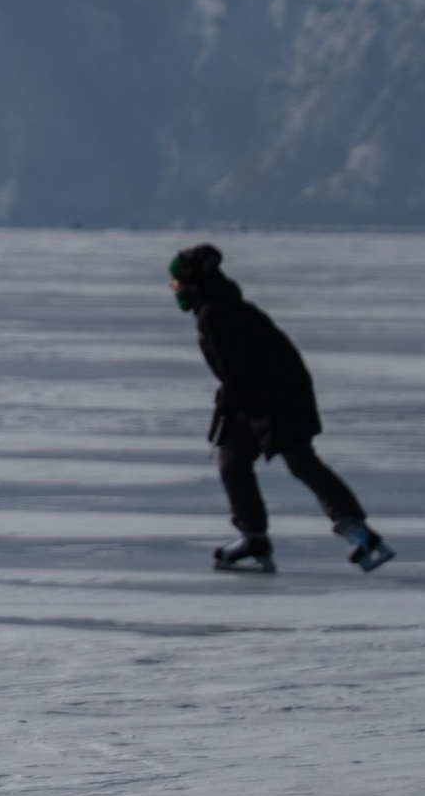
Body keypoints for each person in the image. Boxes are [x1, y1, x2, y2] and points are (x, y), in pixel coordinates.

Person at [168, 243, 394, 575]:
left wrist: (227, 402)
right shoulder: (218, 306)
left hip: (278, 399)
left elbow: (237, 370)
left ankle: (359, 533)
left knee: (301, 461)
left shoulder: (217, 313)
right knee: (233, 461)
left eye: (175, 282)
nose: (173, 289)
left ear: (193, 284)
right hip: (258, 400)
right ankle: (253, 537)